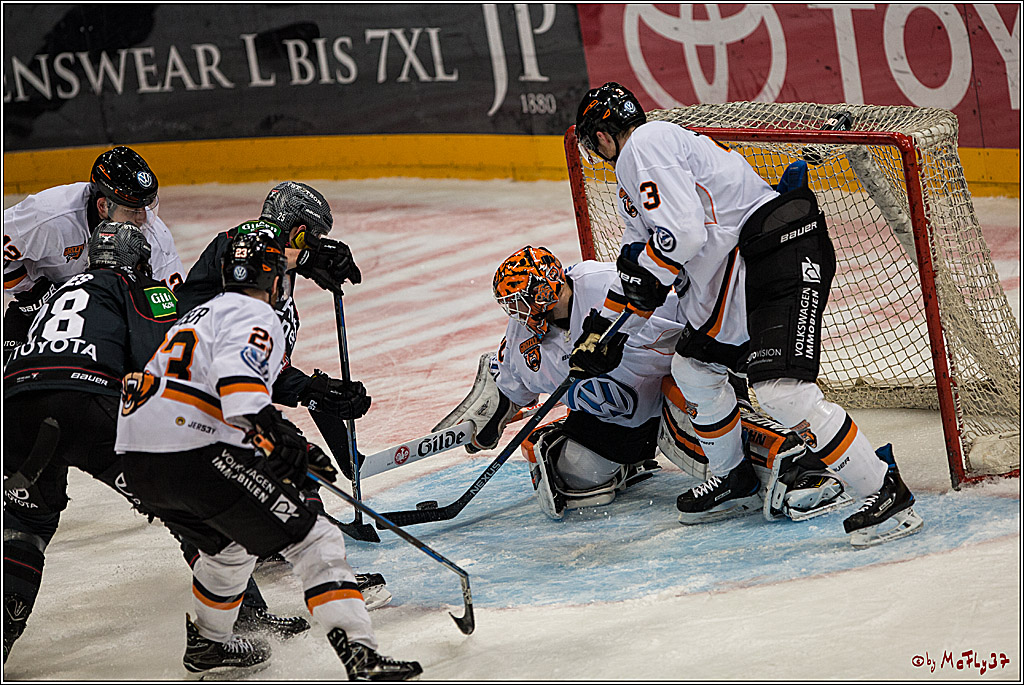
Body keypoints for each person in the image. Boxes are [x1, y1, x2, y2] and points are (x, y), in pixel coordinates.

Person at [571, 82, 923, 547]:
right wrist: (605, 332)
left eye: (592, 144)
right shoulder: (635, 180)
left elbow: (683, 237)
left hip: (781, 253)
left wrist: (630, 307)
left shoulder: (646, 143)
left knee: (780, 393)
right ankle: (733, 477)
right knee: (693, 369)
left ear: (600, 136)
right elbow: (639, 268)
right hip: (746, 269)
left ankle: (885, 492)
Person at [115, 230, 421, 679]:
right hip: (192, 450)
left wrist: (280, 445)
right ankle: (361, 655)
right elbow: (240, 399)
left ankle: (210, 645)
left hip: (137, 458)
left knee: (229, 548)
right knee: (315, 538)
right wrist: (283, 445)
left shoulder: (195, 315)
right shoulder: (257, 315)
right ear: (276, 281)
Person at [436, 246, 815, 521]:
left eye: (521, 300)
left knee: (691, 406)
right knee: (573, 475)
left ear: (546, 290)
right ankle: (630, 464)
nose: (515, 312)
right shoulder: (525, 334)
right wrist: (495, 414)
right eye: (510, 304)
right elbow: (513, 388)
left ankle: (789, 458)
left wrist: (721, 363)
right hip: (619, 419)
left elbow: (696, 319)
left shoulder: (607, 289)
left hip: (675, 391)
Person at [174, 182, 389, 608]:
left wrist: (314, 393)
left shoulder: (268, 279)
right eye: (312, 236)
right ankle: (327, 585)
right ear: (295, 232)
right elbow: (247, 248)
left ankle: (257, 562)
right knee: (289, 474)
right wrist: (307, 389)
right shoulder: (238, 253)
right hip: (203, 413)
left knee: (269, 482)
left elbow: (257, 367)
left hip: (196, 408)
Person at [3, 221, 178, 663]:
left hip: (17, 407)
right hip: (85, 405)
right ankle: (231, 629)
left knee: (29, 527)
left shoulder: (50, 292)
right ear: (136, 263)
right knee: (184, 500)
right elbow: (165, 364)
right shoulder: (138, 288)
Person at [3, 146, 185, 362]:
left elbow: (172, 305)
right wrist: (32, 291)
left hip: (110, 319)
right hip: (41, 313)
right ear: (103, 206)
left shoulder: (154, 236)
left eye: (145, 207)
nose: (143, 219)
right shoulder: (50, 216)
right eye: (133, 210)